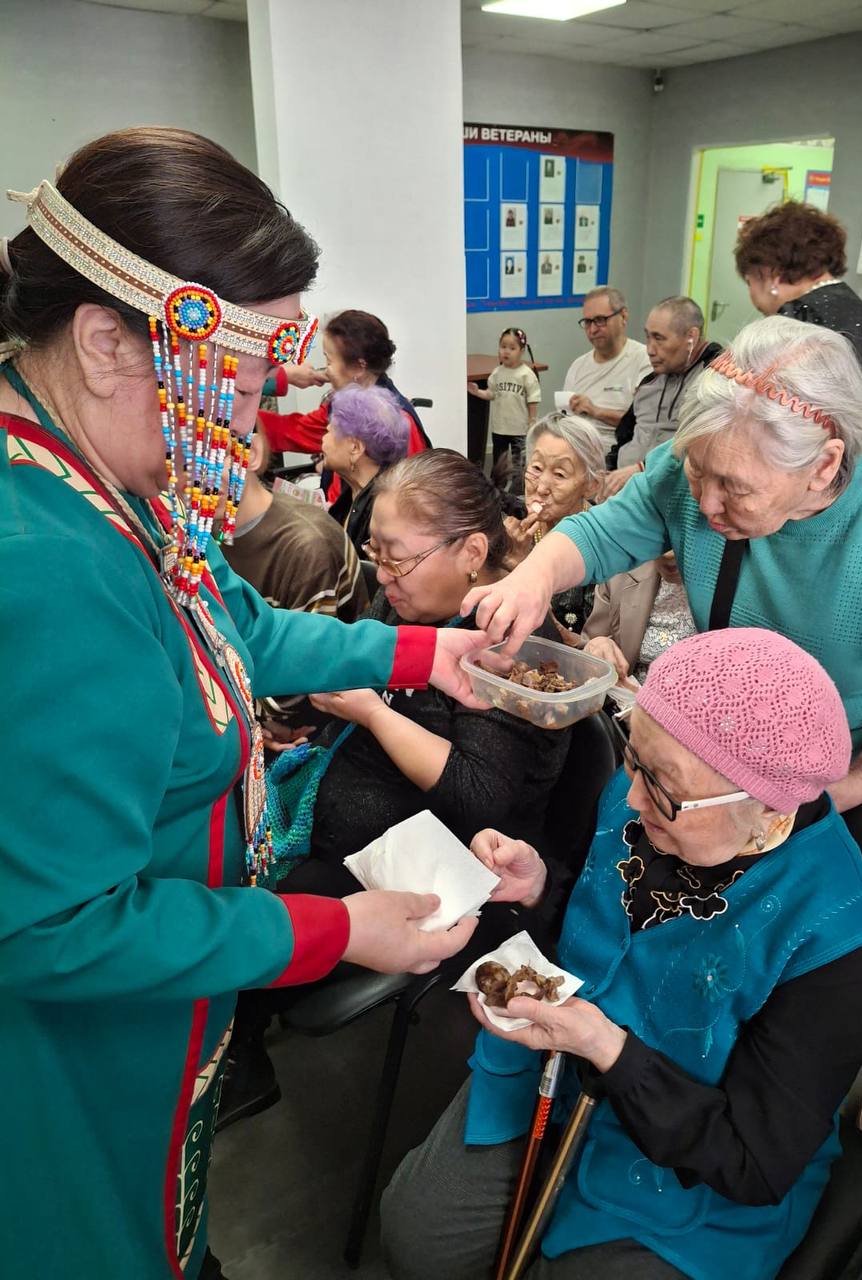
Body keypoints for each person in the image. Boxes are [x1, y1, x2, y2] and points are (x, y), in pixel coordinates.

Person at [0, 127, 485, 1280]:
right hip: (78, 1049)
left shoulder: (98, 471)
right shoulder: (50, 564)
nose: (260, 414)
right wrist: (336, 930)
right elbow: (53, 927)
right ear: (109, 341)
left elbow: (244, 626)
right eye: (245, 373)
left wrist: (428, 651)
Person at [381, 629, 862, 1280]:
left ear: (765, 811)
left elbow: (752, 1164)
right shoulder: (647, 794)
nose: (634, 799)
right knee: (418, 1241)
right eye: (632, 759)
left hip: (692, 1152)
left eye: (664, 786)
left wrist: (611, 1051)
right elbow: (607, 911)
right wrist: (542, 887)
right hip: (559, 1066)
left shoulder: (835, 958)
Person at [464, 314, 862, 838]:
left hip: (857, 772)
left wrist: (850, 790)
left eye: (735, 488)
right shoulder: (711, 453)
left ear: (822, 466)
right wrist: (532, 579)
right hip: (726, 753)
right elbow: (605, 531)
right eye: (697, 472)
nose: (705, 504)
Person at [221, 450, 573, 1126]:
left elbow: (478, 795)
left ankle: (240, 1051)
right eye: (375, 555)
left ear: (472, 552)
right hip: (348, 811)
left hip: (435, 854)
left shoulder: (512, 646)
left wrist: (371, 713)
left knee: (262, 916)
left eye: (398, 559)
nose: (382, 577)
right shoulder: (408, 597)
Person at [219, 422, 367, 748]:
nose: (184, 480)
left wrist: (247, 718)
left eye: (205, 456)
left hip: (316, 729)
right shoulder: (203, 534)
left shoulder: (307, 546)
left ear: (250, 454)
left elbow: (304, 677)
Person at [735, 200, 862, 423]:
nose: (751, 293)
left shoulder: (800, 316)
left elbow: (770, 407)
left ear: (771, 273)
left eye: (749, 280)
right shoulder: (850, 305)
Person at [257, 307, 430, 465]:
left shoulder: (400, 425)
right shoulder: (343, 408)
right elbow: (291, 431)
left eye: (329, 361)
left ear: (359, 367)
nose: (326, 370)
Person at [604, 296, 722, 492]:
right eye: (648, 337)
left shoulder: (714, 381)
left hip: (672, 492)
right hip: (624, 489)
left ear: (691, 337)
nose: (650, 350)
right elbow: (623, 438)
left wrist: (642, 468)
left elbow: (704, 451)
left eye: (659, 338)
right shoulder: (650, 382)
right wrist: (608, 471)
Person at [503, 413, 605, 636]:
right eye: (537, 468)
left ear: (592, 485)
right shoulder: (506, 519)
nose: (541, 488)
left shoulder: (601, 542)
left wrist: (521, 567)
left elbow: (584, 642)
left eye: (559, 474)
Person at [315, 382, 410, 556]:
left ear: (355, 448)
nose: (324, 435)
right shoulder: (353, 495)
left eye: (331, 429)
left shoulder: (383, 512)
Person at [581, 551, 696, 686]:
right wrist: (597, 645)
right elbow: (588, 647)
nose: (668, 555)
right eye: (666, 540)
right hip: (624, 694)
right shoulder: (619, 572)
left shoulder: (717, 590)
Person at [563, 286, 652, 459]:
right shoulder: (578, 366)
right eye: (587, 322)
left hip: (619, 455)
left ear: (623, 316)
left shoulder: (644, 361)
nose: (592, 330)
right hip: (576, 452)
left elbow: (644, 425)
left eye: (600, 320)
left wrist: (595, 411)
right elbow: (565, 418)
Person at [468, 325, 541, 492]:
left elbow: (533, 400)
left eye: (512, 348)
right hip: (500, 428)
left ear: (522, 350)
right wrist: (477, 392)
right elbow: (491, 394)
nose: (506, 351)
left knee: (518, 462)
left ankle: (519, 490)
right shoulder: (497, 373)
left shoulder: (526, 374)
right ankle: (497, 489)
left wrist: (532, 421)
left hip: (519, 429)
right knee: (498, 460)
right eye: (503, 347)